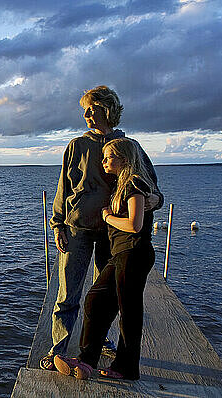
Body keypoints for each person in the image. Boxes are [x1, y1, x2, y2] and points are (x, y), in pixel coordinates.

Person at [40, 86, 162, 371]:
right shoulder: (76, 146)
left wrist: (156, 200)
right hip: (78, 229)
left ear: (106, 110)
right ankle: (57, 349)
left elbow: (151, 185)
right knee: (67, 295)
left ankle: (100, 343)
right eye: (84, 110)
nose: (85, 114)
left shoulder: (129, 146)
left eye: (91, 109)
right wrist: (58, 224)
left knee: (104, 297)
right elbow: (64, 188)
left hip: (114, 236)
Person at [53, 137, 157, 380]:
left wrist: (108, 217)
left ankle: (126, 368)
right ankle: (86, 361)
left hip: (133, 253)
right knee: (96, 301)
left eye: (108, 157)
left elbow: (134, 225)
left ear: (124, 158)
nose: (104, 162)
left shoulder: (134, 184)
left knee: (128, 311)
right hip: (122, 253)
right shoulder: (122, 183)